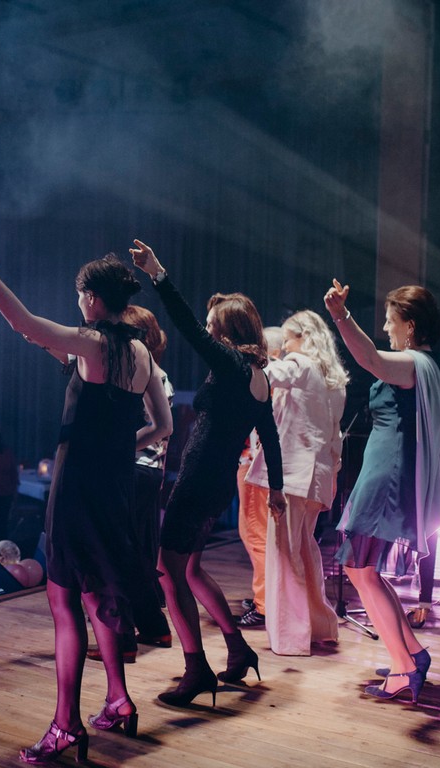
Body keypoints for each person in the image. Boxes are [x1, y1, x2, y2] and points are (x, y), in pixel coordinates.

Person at [0, 234, 173, 764]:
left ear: (92, 298)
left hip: (77, 487)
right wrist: (118, 448)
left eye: (79, 295)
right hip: (113, 486)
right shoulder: (140, 351)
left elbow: (23, 323)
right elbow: (161, 426)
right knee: (97, 595)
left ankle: (66, 725)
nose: (77, 303)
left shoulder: (93, 343)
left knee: (64, 601)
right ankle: (118, 700)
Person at [129, 240, 284, 707]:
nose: (209, 330)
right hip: (217, 485)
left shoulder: (231, 363)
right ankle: (238, 650)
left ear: (228, 330)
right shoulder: (259, 376)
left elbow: (186, 325)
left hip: (198, 481)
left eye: (214, 325)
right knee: (191, 570)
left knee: (167, 570)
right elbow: (270, 436)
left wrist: (159, 274)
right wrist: (276, 489)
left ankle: (196, 670)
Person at [323, 279, 440, 703]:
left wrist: (341, 316)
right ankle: (412, 652)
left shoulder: (412, 364)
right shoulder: (425, 365)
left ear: (410, 325)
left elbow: (371, 359)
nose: (385, 327)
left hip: (386, 476)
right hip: (383, 471)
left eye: (391, 320)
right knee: (364, 571)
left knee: (360, 570)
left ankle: (403, 668)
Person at [244, 310, 347, 654]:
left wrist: (246, 356)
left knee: (285, 556)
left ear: (304, 338)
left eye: (288, 339)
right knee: (304, 550)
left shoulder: (300, 365)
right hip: (318, 476)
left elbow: (265, 376)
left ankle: (291, 636)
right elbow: (335, 436)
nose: (285, 346)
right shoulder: (334, 380)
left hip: (293, 475)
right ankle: (319, 626)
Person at [86, 304, 175, 662]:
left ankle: (122, 640)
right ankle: (154, 626)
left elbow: (158, 428)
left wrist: (114, 448)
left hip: (133, 470)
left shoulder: (143, 372)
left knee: (114, 553)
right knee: (136, 554)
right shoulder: (157, 372)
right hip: (147, 472)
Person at [235, 326, 284, 627]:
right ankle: (265, 597)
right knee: (257, 534)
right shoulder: (281, 379)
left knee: (255, 533)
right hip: (259, 463)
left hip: (255, 464)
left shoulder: (267, 375)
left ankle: (265, 604)